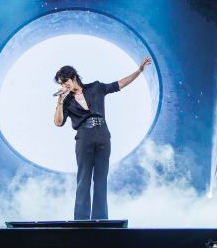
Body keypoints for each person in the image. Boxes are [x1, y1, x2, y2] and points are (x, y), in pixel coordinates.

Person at [53, 56, 152, 220]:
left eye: (65, 82)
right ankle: (81, 220)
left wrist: (139, 71)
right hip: (84, 137)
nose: (64, 86)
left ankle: (100, 219)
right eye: (61, 84)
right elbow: (58, 122)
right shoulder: (67, 101)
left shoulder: (95, 87)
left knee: (101, 178)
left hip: (103, 136)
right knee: (84, 177)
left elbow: (119, 84)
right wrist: (60, 101)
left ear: (73, 77)